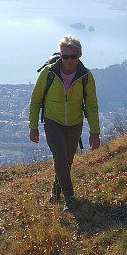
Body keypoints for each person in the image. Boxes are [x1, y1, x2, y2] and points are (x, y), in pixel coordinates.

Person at [29, 35, 101, 211]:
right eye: (65, 56)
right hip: (53, 121)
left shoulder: (85, 76)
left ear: (80, 56)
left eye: (73, 56)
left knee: (67, 161)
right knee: (60, 157)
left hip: (75, 123)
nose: (69, 60)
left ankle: (55, 193)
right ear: (60, 55)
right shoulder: (48, 73)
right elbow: (36, 100)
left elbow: (91, 105)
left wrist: (95, 131)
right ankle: (70, 197)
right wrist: (33, 127)